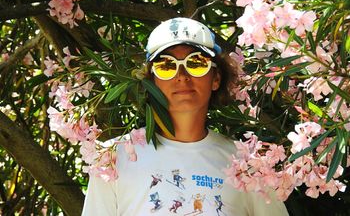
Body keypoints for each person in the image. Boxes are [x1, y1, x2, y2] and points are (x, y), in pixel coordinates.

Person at [82, 17, 289, 215]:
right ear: (152, 81)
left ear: (215, 78)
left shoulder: (248, 164)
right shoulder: (112, 158)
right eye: (166, 66)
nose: (181, 76)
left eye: (196, 63)